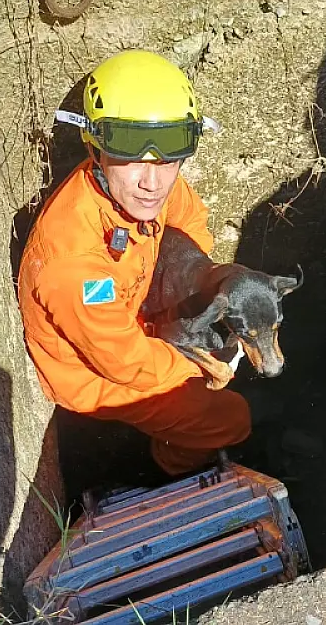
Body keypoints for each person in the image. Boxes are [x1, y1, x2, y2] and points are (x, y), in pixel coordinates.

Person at [16, 50, 250, 478]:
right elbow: (124, 363)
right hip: (94, 373)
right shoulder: (73, 266)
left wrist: (193, 286)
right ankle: (168, 467)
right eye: (130, 157)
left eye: (168, 160)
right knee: (230, 418)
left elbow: (189, 221)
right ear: (96, 149)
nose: (152, 182)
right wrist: (204, 360)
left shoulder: (144, 193)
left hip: (129, 323)